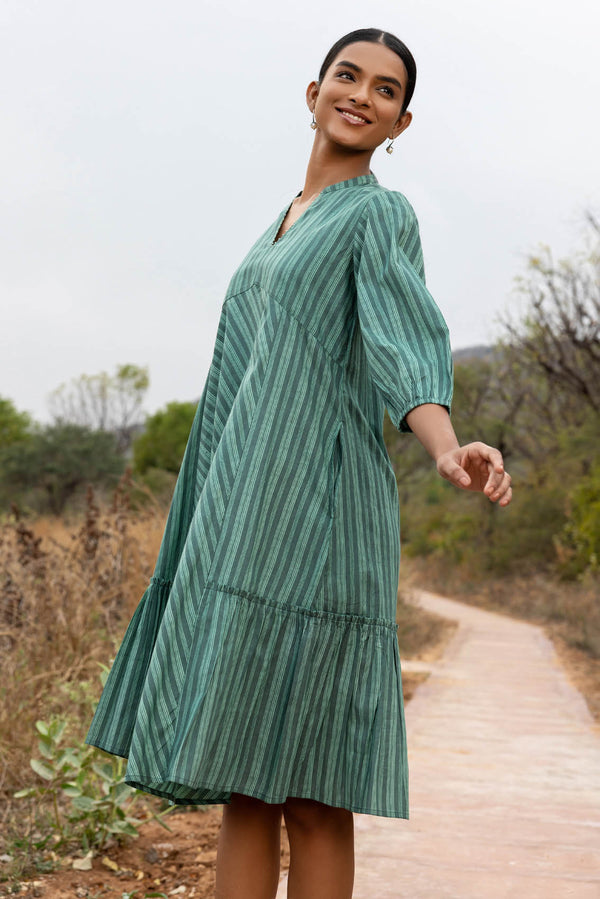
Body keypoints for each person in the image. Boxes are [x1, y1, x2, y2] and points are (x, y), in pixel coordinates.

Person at [86, 27, 512, 899]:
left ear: (401, 121)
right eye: (348, 76)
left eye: (385, 89)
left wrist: (446, 445)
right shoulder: (277, 224)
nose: (362, 94)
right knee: (247, 779)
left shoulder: (379, 215)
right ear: (312, 90)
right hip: (242, 517)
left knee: (314, 790)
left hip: (320, 517)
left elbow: (404, 343)